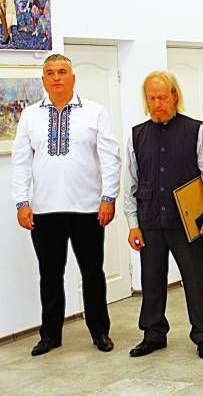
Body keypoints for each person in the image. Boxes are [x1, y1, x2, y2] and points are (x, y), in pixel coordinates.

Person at [11, 53, 120, 356]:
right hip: (44, 210)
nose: (56, 77)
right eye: (50, 73)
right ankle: (50, 335)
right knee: (50, 275)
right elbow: (21, 162)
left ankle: (100, 332)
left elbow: (110, 158)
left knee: (92, 273)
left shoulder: (95, 112)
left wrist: (108, 197)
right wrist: (22, 202)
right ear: (43, 80)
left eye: (62, 72)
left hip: (88, 209)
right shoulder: (30, 116)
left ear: (73, 78)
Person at [123, 71, 203, 359]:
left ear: (175, 96)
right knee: (151, 280)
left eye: (162, 97)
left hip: (187, 220)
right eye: (152, 98)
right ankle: (153, 334)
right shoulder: (137, 135)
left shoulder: (196, 130)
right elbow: (130, 181)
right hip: (150, 219)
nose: (157, 104)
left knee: (195, 279)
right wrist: (133, 224)